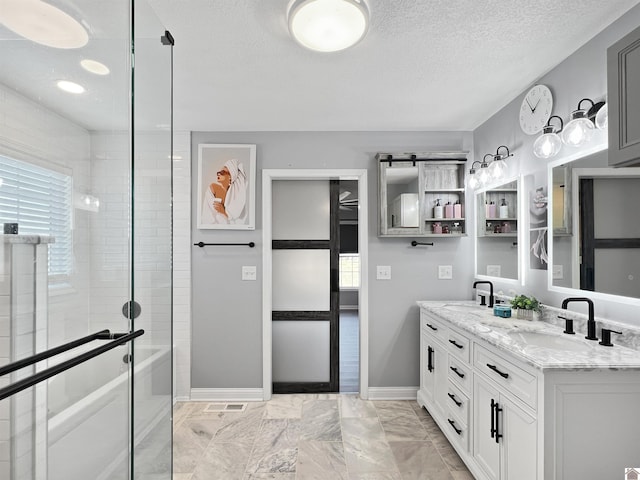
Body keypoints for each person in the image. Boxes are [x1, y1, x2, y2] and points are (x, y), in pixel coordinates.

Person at [201, 159, 248, 225]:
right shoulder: (213, 188)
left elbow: (238, 220)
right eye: (218, 172)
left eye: (222, 172)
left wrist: (224, 212)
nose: (219, 174)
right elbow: (208, 214)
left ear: (230, 176)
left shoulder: (236, 196)